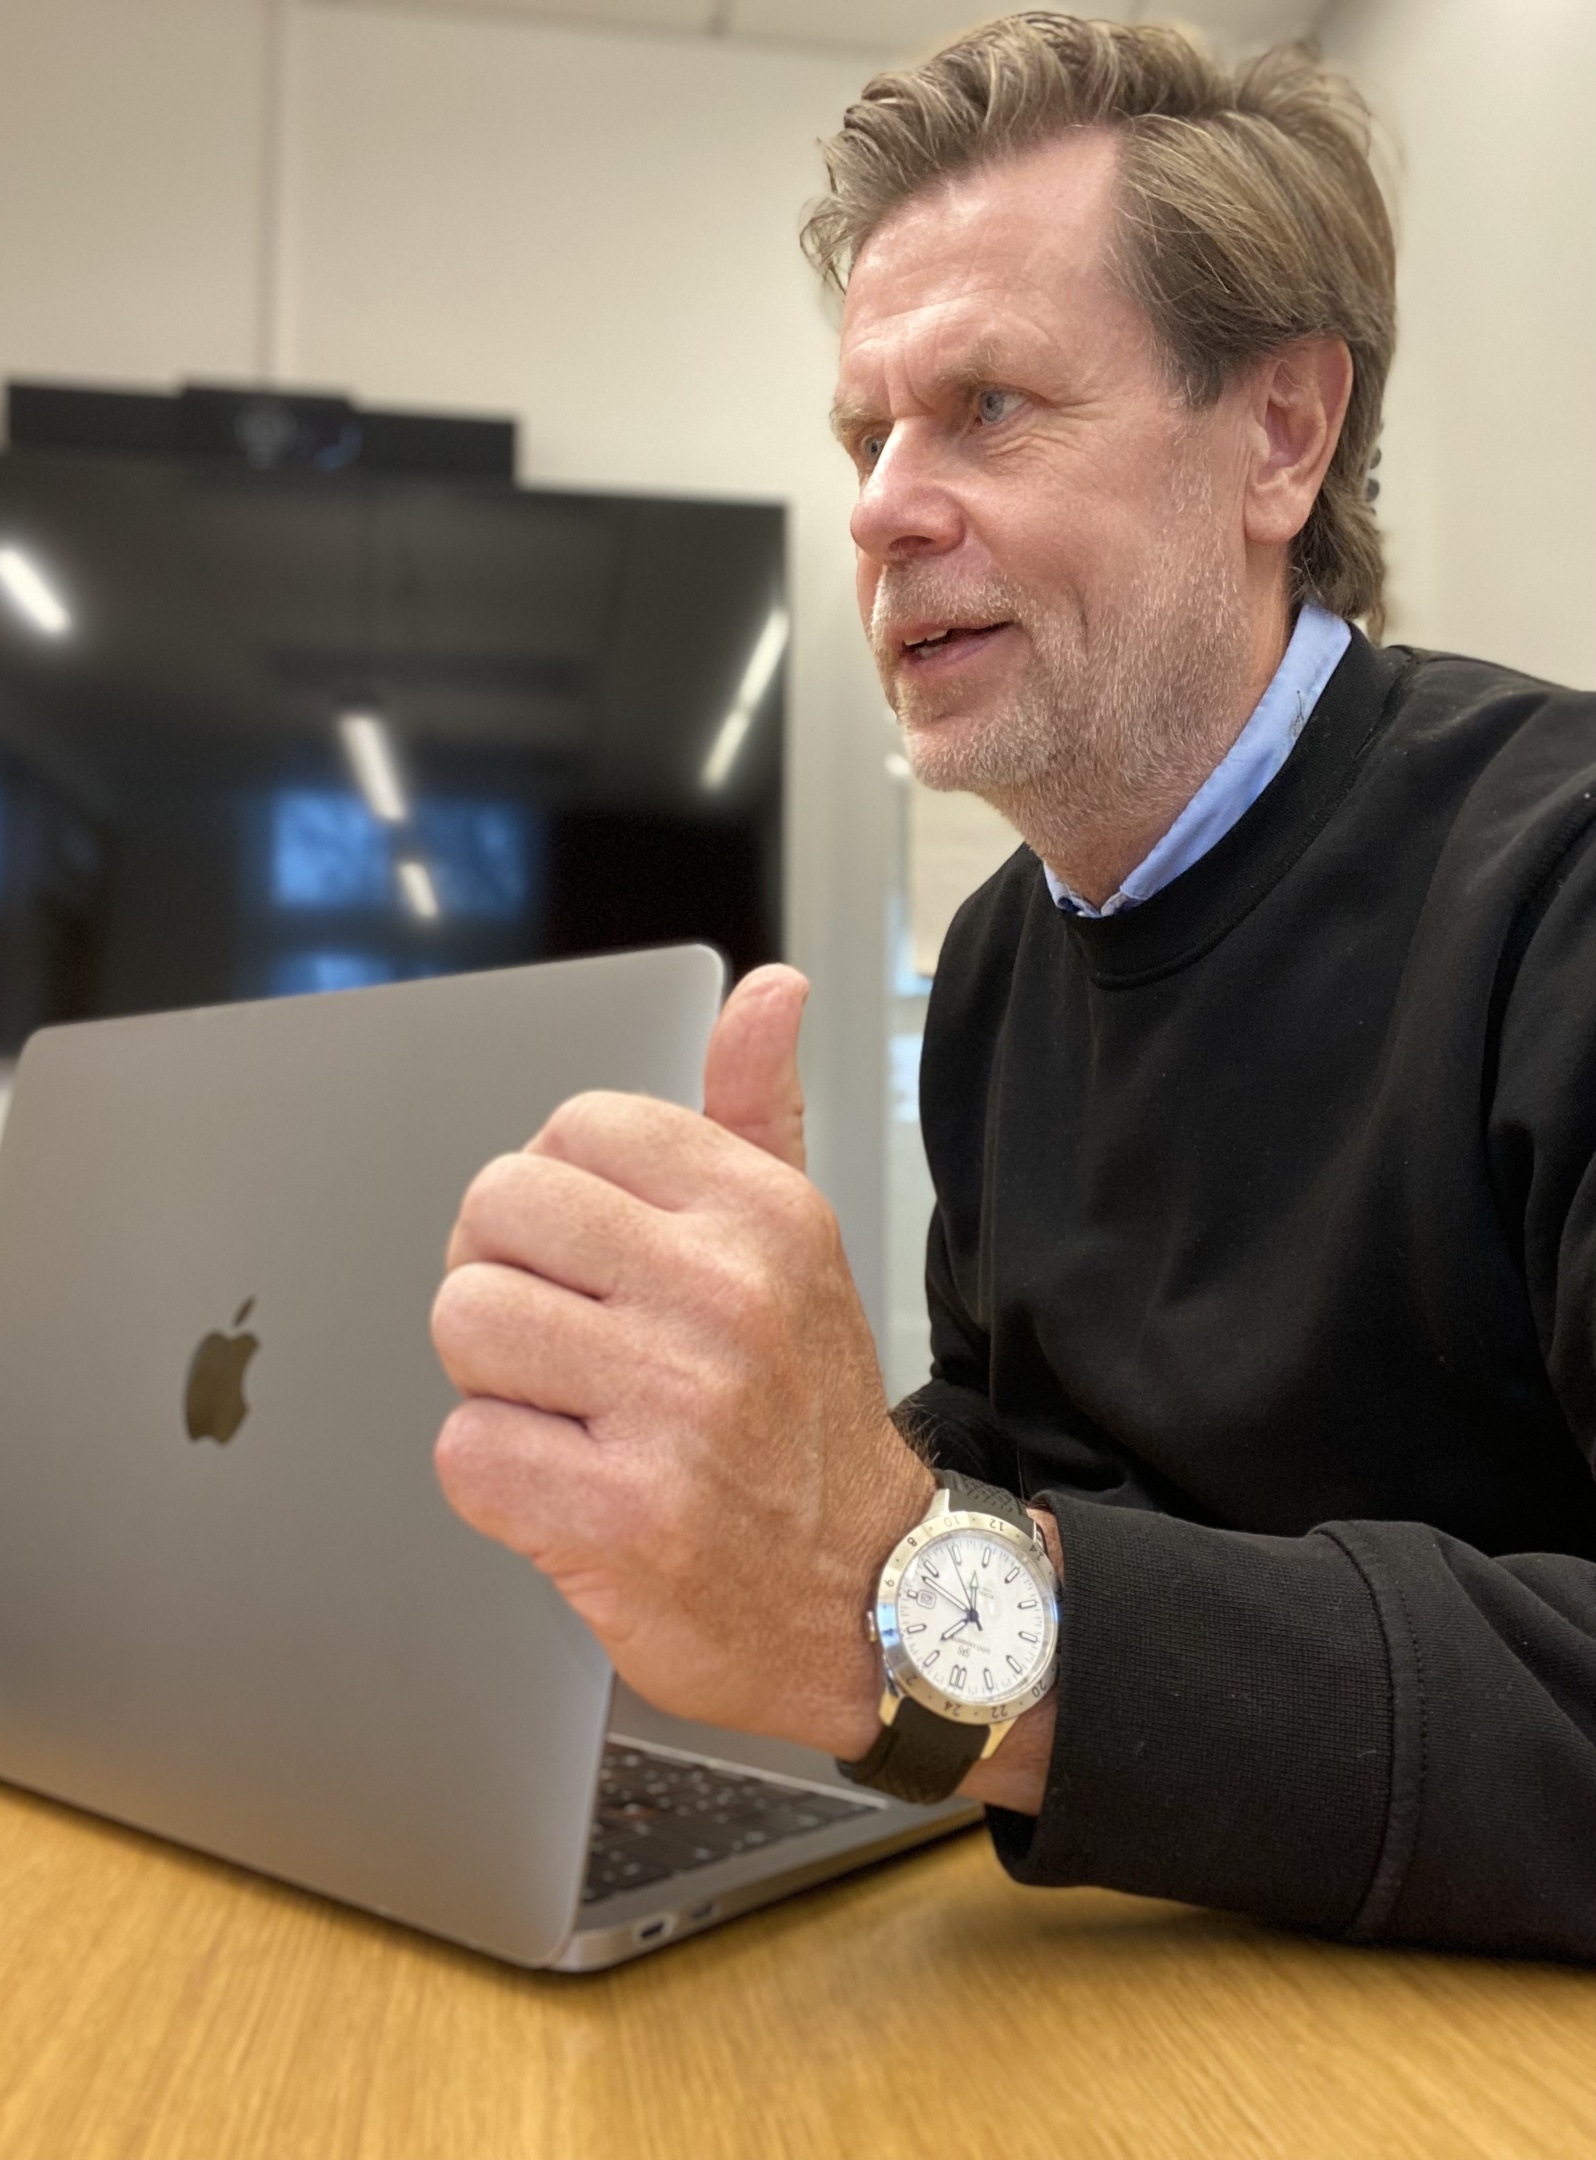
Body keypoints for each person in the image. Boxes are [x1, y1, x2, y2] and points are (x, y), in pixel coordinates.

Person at [429, 14, 1596, 1958]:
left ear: (1281, 435)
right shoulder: (995, 963)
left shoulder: (1561, 886)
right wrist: (714, 1474)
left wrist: (897, 1598)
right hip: (1136, 1980)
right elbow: (1012, 1443)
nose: (880, 506)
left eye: (988, 406)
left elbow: (959, 1574)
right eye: (864, 436)